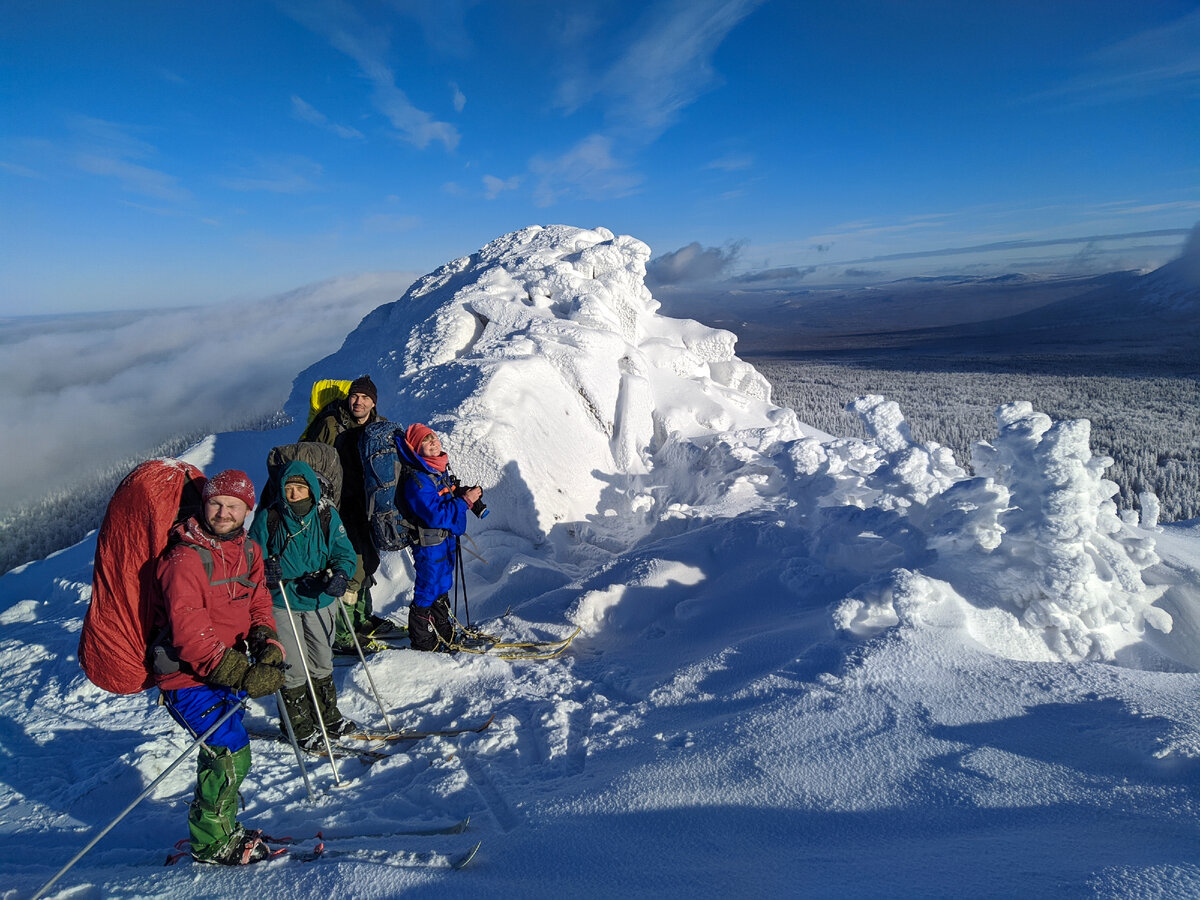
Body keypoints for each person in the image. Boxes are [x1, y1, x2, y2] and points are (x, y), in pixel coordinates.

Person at [155, 469, 285, 866]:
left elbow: (259, 599)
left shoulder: (248, 550)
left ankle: (221, 826)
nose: (223, 512)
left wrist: (268, 644)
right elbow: (191, 636)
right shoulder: (184, 559)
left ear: (247, 510)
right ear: (204, 504)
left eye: (233, 505)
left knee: (224, 751)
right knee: (230, 751)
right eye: (216, 503)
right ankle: (212, 843)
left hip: (225, 668)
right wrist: (246, 674)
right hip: (186, 676)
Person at [248, 460, 359, 749]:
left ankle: (327, 715)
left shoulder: (326, 516)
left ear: (311, 488)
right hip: (282, 601)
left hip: (320, 597)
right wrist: (264, 571)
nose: (294, 494)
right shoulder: (268, 518)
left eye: (300, 487)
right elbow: (248, 559)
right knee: (293, 666)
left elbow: (344, 553)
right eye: (289, 488)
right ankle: (297, 725)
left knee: (322, 659)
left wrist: (341, 575)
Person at [301, 374, 395, 651]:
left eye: (365, 397)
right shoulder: (330, 424)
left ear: (373, 403)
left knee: (368, 559)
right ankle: (343, 632)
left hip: (368, 504)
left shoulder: (379, 426)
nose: (359, 401)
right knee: (346, 563)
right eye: (355, 396)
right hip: (339, 505)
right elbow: (313, 462)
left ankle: (362, 619)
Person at [397, 423, 482, 651]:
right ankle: (423, 641)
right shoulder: (418, 479)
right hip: (428, 543)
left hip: (443, 541)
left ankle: (444, 630)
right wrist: (465, 501)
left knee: (442, 584)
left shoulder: (437, 470)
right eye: (425, 440)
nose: (433, 442)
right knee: (427, 588)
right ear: (416, 447)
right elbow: (434, 515)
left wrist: (460, 496)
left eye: (433, 437)